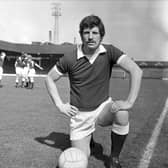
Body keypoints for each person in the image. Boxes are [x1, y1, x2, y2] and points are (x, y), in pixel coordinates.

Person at [45, 15, 143, 168]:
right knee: (79, 161)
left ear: (101, 35)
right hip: (80, 116)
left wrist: (129, 102)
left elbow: (135, 70)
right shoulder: (70, 58)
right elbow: (49, 78)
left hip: (102, 108)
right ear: (81, 35)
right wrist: (60, 105)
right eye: (86, 32)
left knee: (122, 113)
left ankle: (114, 158)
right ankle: (88, 140)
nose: (90, 37)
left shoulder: (109, 51)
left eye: (95, 33)